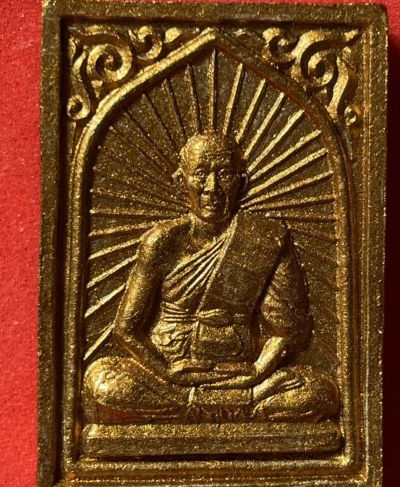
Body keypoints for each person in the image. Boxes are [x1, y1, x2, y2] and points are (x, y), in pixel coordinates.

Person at [83, 132, 339, 423]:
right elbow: (126, 330)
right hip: (172, 375)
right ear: (181, 181)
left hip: (242, 373)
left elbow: (287, 331)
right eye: (201, 174)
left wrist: (258, 371)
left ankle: (202, 408)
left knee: (321, 393)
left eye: (225, 175)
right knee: (103, 383)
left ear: (241, 182)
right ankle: (236, 408)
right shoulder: (162, 241)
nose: (212, 188)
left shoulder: (266, 238)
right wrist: (167, 371)